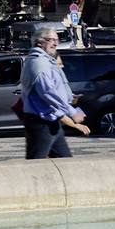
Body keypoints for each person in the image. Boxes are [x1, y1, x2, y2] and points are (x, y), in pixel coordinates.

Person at [17, 27, 90, 160]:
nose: (56, 43)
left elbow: (53, 89)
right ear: (39, 42)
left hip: (52, 122)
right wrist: (72, 112)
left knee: (65, 161)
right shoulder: (38, 63)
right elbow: (47, 93)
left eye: (57, 40)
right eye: (51, 40)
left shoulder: (46, 61)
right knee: (36, 164)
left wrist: (67, 96)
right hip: (41, 123)